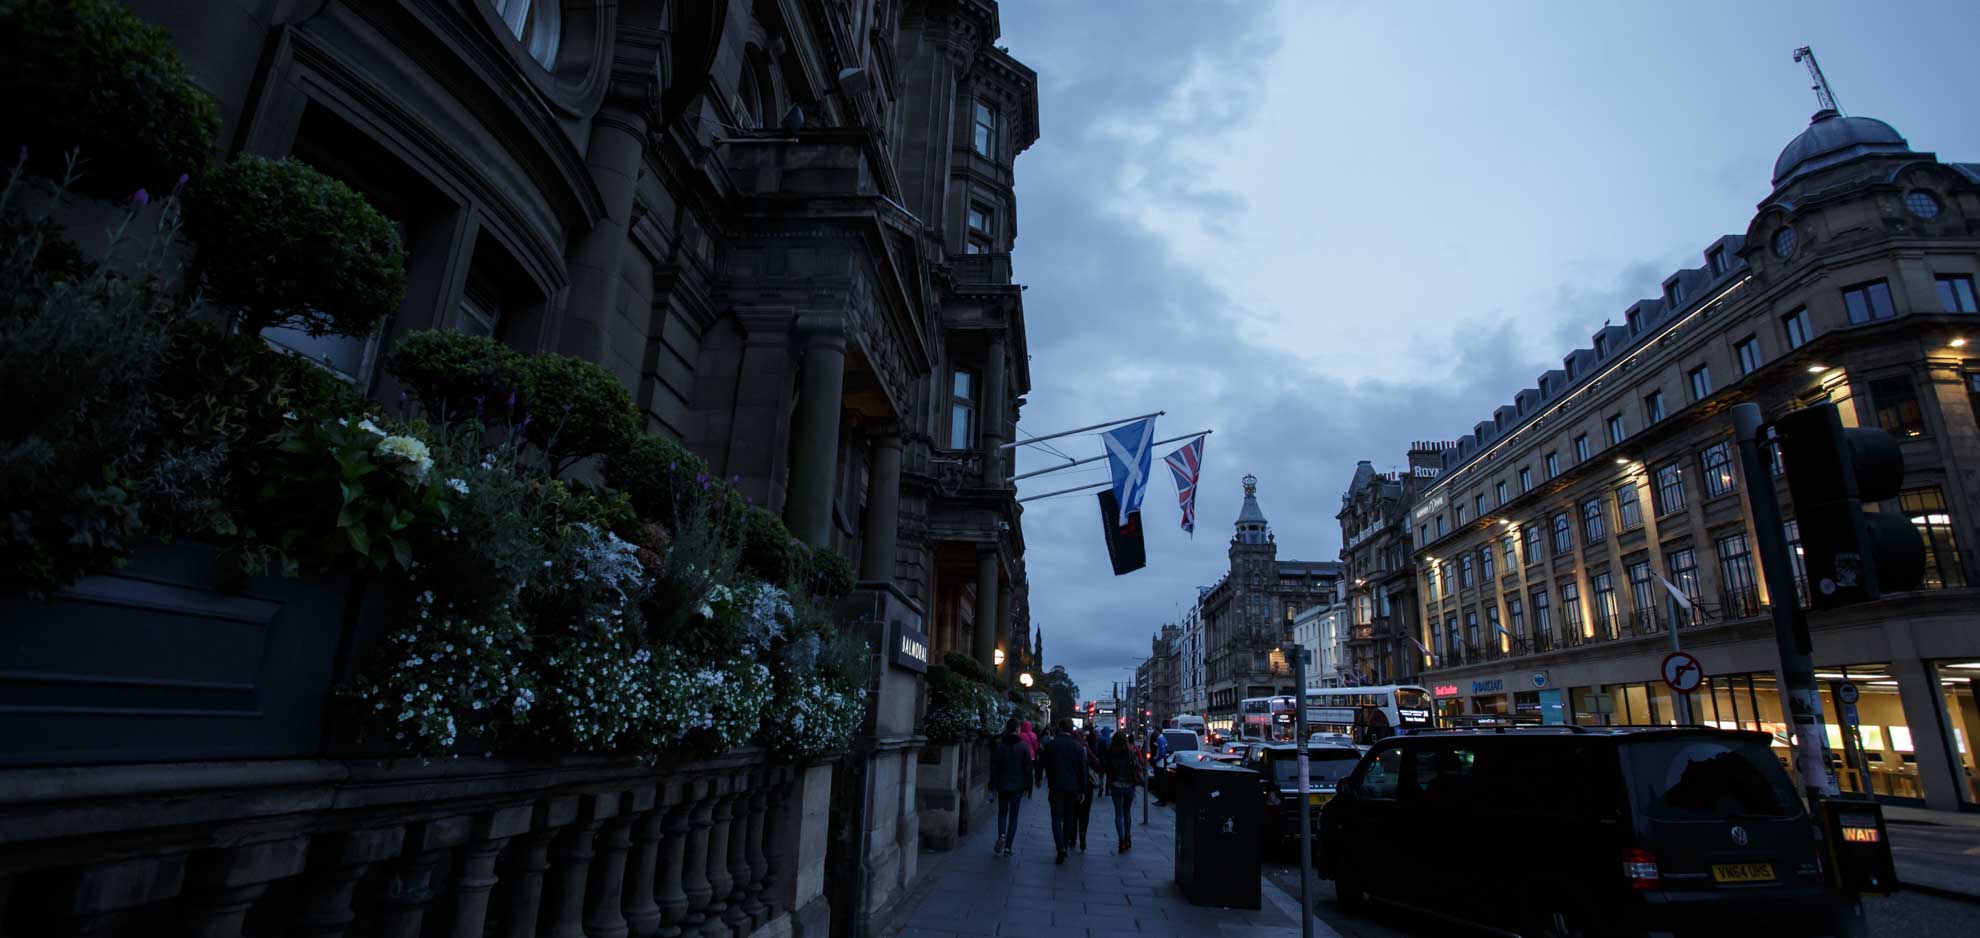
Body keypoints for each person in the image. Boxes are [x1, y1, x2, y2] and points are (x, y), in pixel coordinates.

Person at [1041, 718, 1098, 863]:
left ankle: (1060, 847)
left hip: (1055, 787)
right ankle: (1065, 846)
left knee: (1056, 818)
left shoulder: (1052, 745)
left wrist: (1040, 778)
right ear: (1070, 729)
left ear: (1060, 728)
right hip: (1072, 789)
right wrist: (1083, 790)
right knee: (1069, 818)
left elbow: (1044, 764)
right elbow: (1082, 770)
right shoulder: (1078, 747)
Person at [988, 718, 1029, 856]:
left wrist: (992, 785)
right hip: (1017, 786)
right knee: (1014, 816)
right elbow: (1027, 768)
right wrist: (1029, 786)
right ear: (1017, 729)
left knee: (1002, 813)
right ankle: (1008, 847)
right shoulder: (1023, 746)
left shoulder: (999, 745)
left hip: (1002, 784)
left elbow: (994, 767)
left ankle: (1002, 835)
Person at [1103, 730, 1142, 852]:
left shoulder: (1110, 752)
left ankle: (1121, 841)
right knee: (1127, 813)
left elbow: (1107, 769)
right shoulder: (1130, 752)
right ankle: (1128, 837)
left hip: (1116, 786)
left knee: (1118, 814)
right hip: (1129, 786)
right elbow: (1137, 767)